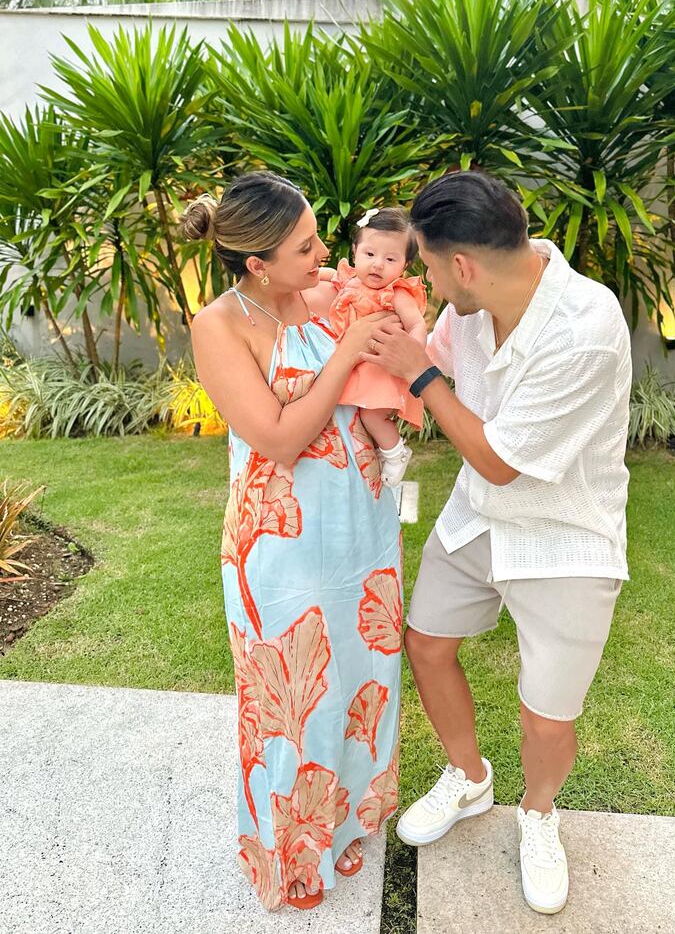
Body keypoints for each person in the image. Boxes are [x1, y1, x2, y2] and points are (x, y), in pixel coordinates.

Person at [362, 170, 631, 916]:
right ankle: (468, 774)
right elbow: (435, 349)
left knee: (547, 714)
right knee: (426, 642)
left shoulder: (585, 328)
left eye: (428, 266)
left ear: (464, 266)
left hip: (566, 533)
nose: (426, 278)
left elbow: (500, 459)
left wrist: (416, 376)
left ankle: (539, 815)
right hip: (479, 516)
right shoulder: (475, 300)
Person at [186, 171, 404, 912]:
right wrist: (345, 353)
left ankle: (342, 820)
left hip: (362, 526)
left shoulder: (328, 292)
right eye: (305, 247)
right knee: (294, 697)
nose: (323, 256)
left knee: (357, 678)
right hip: (283, 544)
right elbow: (277, 438)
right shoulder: (221, 324)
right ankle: (291, 851)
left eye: (318, 237)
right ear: (256, 264)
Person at [314, 206, 428, 487]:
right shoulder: (348, 279)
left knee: (371, 414)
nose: (377, 264)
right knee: (354, 415)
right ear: (355, 252)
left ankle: (396, 452)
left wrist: (412, 355)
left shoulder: (396, 294)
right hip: (357, 363)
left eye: (390, 259)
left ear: (405, 265)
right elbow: (324, 275)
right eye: (369, 254)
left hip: (381, 366)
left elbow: (417, 324)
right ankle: (378, 452)